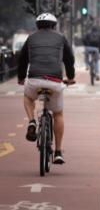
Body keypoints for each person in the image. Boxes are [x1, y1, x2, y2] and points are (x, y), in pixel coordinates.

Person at [17, 13, 75, 164]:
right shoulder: (61, 37)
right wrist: (71, 77)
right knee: (58, 115)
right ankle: (57, 152)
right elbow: (69, 59)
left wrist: (21, 78)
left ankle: (31, 121)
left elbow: (22, 60)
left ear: (37, 26)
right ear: (54, 26)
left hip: (34, 80)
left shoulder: (31, 38)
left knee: (28, 96)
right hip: (55, 81)